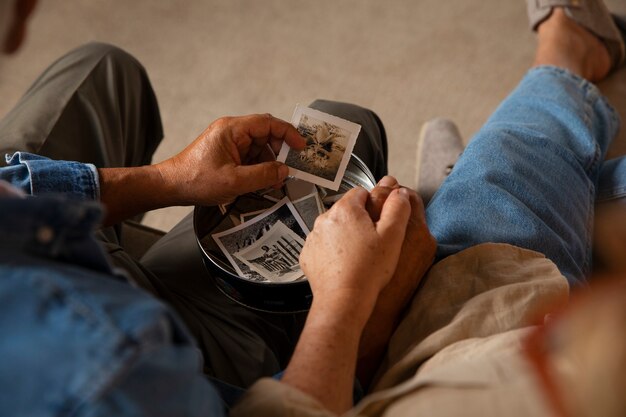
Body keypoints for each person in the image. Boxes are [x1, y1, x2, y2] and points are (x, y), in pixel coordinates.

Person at [1, 1, 626, 417]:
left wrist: (168, 180)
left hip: (72, 275)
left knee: (104, 71)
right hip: (175, 371)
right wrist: (349, 305)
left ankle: (507, 182)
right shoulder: (95, 376)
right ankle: (565, 60)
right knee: (483, 238)